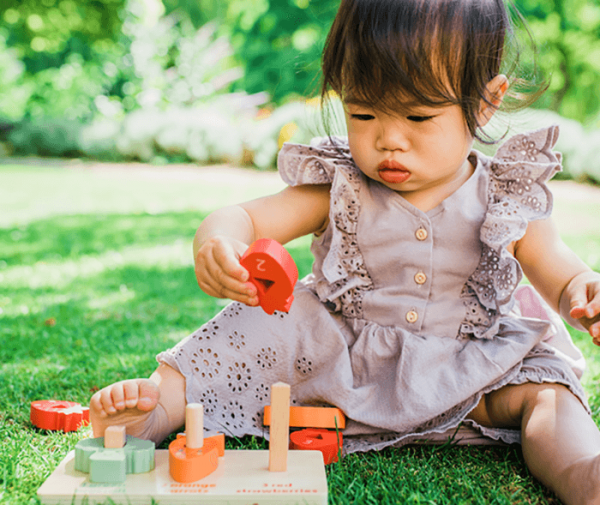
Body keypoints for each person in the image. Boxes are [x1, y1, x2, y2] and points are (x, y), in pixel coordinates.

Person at [89, 0, 600, 502]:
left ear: (486, 101)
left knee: (548, 395)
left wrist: (585, 292)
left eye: (419, 116)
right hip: (340, 358)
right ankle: (156, 411)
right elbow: (246, 216)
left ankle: (582, 472)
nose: (388, 140)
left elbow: (559, 272)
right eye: (363, 112)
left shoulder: (506, 193)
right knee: (239, 331)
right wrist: (217, 241)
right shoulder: (340, 185)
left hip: (470, 369)